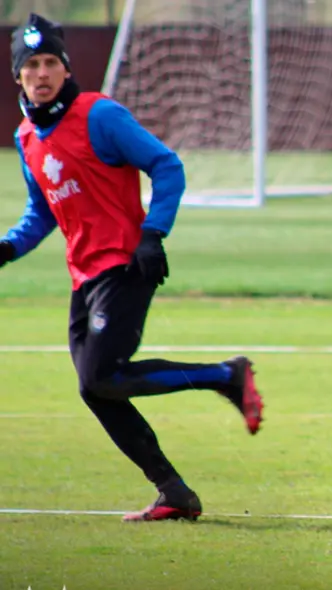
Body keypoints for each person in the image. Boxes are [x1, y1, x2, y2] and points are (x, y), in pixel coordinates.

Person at [0, 14, 264, 522]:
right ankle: (173, 491)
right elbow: (41, 212)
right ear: (18, 76)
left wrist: (152, 235)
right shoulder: (26, 137)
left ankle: (226, 375)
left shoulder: (99, 115)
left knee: (101, 376)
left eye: (50, 61)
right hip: (85, 277)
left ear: (65, 66)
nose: (41, 72)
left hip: (125, 264)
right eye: (31, 64)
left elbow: (168, 165)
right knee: (95, 387)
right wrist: (8, 247)